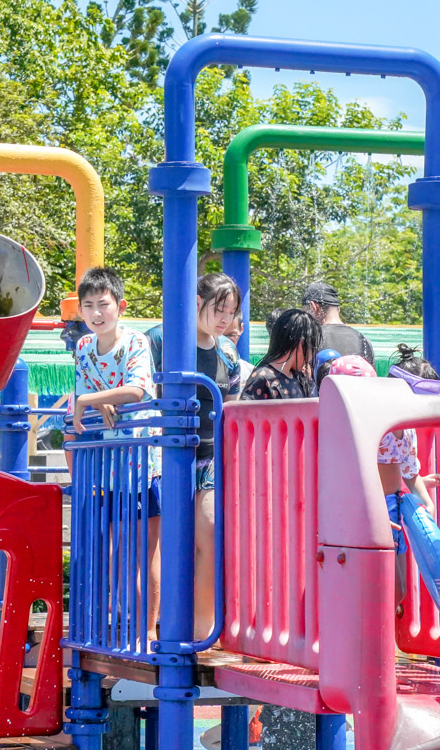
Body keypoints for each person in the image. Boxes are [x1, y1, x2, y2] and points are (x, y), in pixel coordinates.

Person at [70, 266, 161, 640]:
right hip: (107, 465)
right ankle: (116, 628)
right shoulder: (83, 347)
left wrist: (90, 400)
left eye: (102, 304)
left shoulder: (135, 342)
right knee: (109, 555)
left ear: (119, 306)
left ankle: (149, 633)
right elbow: (89, 402)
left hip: (142, 463)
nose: (95, 313)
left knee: (142, 554)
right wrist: (97, 403)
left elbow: (137, 390)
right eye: (88, 305)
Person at [373, 345, 440, 612]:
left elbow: (409, 473)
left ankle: (378, 638)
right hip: (374, 509)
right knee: (389, 587)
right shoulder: (376, 423)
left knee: (399, 590)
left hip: (395, 508)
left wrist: (425, 499)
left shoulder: (407, 431)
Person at [189, 272, 244, 640]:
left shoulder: (227, 351)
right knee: (167, 543)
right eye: (218, 309)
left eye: (231, 311)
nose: (225, 319)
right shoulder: (165, 339)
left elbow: (236, 404)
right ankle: (160, 622)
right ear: (197, 303)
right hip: (169, 457)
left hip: (211, 458)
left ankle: (203, 629)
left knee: (209, 535)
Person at [240, 309, 321, 400]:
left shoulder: (298, 377)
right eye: (313, 348)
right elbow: (244, 412)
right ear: (301, 344)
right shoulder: (263, 378)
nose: (311, 356)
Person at [301, 282, 374, 364]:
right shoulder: (363, 340)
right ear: (338, 310)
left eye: (305, 313)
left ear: (313, 307)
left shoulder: (310, 338)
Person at [223, 312, 255, 390]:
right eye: (219, 336)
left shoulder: (250, 373)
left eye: (231, 335)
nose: (225, 342)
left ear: (241, 329)